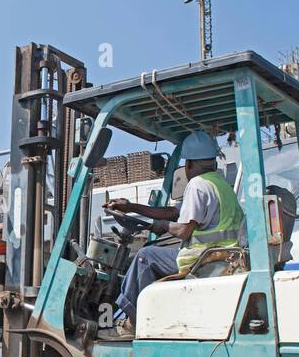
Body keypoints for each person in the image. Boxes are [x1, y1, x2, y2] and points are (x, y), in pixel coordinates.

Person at [102, 130, 244, 339]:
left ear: (188, 165)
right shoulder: (220, 184)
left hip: (204, 261)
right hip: (222, 256)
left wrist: (164, 226)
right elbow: (173, 212)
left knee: (144, 257)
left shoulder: (197, 185)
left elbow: (184, 229)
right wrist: (130, 206)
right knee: (152, 254)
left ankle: (130, 323)